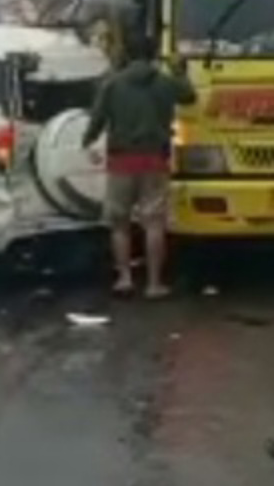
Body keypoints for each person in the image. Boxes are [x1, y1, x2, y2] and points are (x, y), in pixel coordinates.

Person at [82, 31, 195, 298]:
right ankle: (154, 284)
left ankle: (124, 278)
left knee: (119, 223)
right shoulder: (166, 83)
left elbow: (97, 120)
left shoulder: (112, 84)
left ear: (127, 53)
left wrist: (87, 142)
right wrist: (180, 70)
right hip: (155, 159)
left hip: (121, 160)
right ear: (154, 54)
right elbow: (189, 96)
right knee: (154, 223)